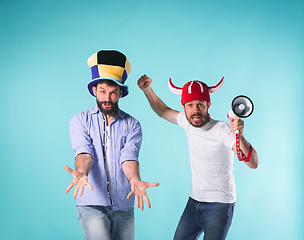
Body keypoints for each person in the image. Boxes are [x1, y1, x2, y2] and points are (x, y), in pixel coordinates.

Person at [137, 74, 259, 240]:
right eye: (190, 105)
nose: (195, 110)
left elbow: (253, 163)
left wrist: (240, 135)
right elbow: (163, 111)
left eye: (200, 104)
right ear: (184, 107)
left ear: (208, 105)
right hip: (195, 202)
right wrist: (147, 90)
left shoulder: (222, 130)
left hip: (220, 205)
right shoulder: (187, 122)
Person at [64, 51, 159, 240]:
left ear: (121, 93)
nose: (107, 98)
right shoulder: (79, 121)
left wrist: (134, 180)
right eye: (102, 92)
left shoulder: (132, 124)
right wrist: (81, 173)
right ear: (94, 91)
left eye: (113, 92)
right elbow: (84, 152)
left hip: (124, 204)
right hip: (91, 204)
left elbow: (128, 157)